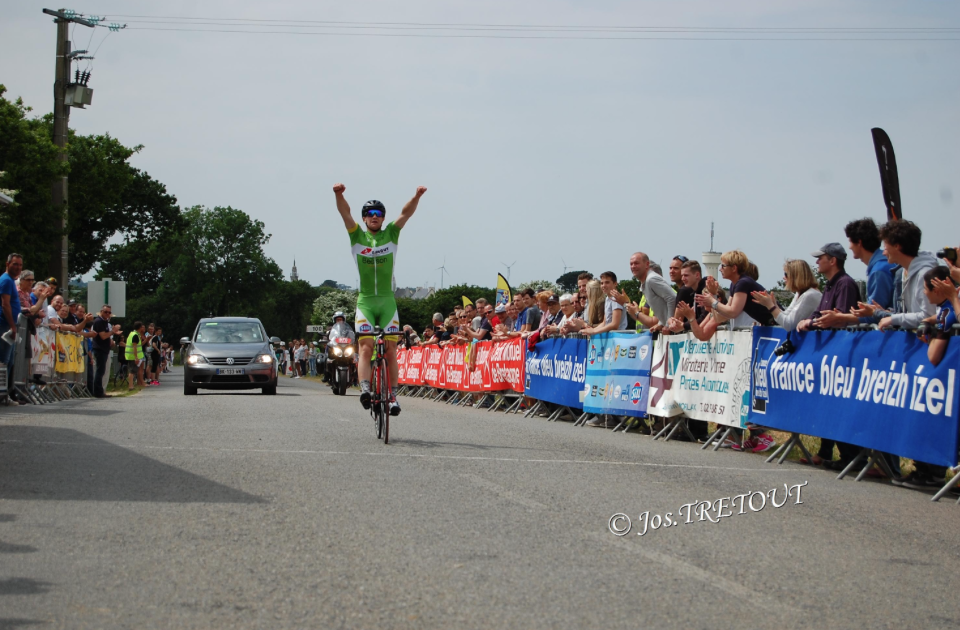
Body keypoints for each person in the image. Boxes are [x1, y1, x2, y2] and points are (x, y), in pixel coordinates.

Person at [333, 182, 426, 415]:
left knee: (391, 350)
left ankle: (393, 396)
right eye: (370, 214)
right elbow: (345, 213)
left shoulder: (391, 234)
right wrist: (339, 194)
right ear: (364, 219)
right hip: (365, 301)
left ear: (383, 219)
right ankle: (365, 387)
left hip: (387, 301)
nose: (374, 217)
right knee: (365, 348)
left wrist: (416, 196)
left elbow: (406, 214)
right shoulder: (356, 236)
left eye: (379, 214)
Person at [816, 218, 896, 328]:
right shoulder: (883, 265)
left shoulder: (879, 271)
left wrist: (839, 317)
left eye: (850, 241)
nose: (849, 247)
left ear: (859, 242)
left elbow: (873, 314)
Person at [750, 260, 822, 331]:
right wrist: (774, 304)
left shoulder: (810, 295)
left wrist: (770, 306)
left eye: (786, 274)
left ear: (796, 276)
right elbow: (786, 316)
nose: (783, 277)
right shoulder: (800, 293)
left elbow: (789, 325)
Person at [921, 267, 958, 367]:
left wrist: (931, 335)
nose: (924, 292)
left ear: (936, 291)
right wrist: (927, 320)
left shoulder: (946, 315)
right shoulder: (950, 305)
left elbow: (933, 357)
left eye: (925, 288)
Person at [125, 321, 147, 389]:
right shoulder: (135, 335)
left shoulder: (132, 333)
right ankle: (131, 386)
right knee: (132, 371)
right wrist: (136, 357)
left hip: (130, 355)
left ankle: (132, 385)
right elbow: (134, 347)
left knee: (133, 370)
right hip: (133, 356)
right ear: (140, 327)